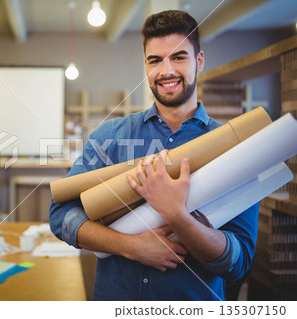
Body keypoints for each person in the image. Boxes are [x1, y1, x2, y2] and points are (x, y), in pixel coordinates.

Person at [49, 10, 258, 301]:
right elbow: (60, 215)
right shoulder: (111, 136)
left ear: (199, 61)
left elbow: (238, 262)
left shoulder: (233, 146)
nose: (166, 71)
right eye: (155, 60)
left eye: (179, 57)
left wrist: (177, 215)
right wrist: (130, 246)